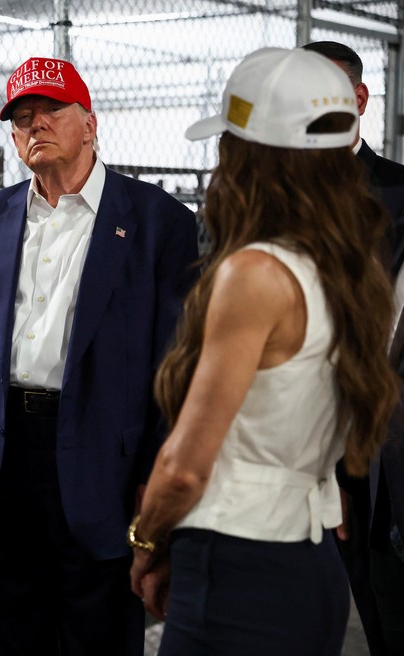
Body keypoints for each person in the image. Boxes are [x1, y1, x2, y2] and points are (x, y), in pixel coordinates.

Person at [128, 47, 399, 655]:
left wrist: (146, 541)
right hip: (307, 561)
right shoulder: (347, 270)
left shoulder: (256, 272)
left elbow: (186, 465)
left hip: (237, 570)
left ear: (248, 155)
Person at [0, 55, 199, 655]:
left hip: (106, 457)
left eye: (53, 110)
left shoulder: (159, 222)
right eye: (23, 116)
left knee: (99, 631)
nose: (36, 125)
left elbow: (175, 368)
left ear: (91, 123)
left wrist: (155, 478)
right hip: (5, 456)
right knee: (11, 630)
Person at [303, 40, 404, 656]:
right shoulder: (267, 197)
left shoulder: (399, 194)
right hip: (294, 442)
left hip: (378, 448)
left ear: (359, 99)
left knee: (386, 606)